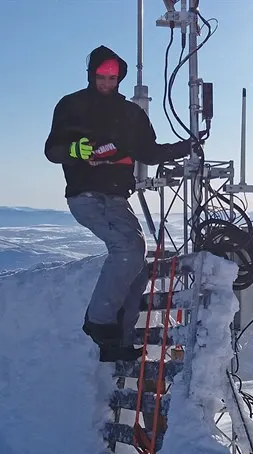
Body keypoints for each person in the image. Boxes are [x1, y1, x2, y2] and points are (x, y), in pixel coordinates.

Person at [44, 45, 191, 362]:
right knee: (127, 250)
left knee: (137, 266)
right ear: (91, 74)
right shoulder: (72, 106)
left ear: (120, 77)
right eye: (101, 76)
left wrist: (185, 147)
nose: (107, 83)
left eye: (112, 77)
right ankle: (98, 322)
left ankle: (116, 344)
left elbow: (149, 153)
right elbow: (52, 150)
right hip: (86, 195)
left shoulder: (131, 114)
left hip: (117, 198)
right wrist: (76, 150)